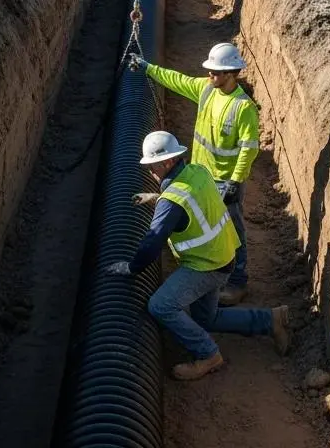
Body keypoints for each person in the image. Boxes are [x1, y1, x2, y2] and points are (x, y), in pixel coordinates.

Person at [105, 130, 289, 381]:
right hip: (223, 255)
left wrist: (132, 268)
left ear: (168, 162)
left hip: (207, 266)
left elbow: (152, 242)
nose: (150, 172)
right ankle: (271, 319)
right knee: (206, 318)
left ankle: (208, 355)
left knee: (161, 306)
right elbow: (192, 202)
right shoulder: (197, 172)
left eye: (152, 166)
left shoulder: (173, 201)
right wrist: (158, 198)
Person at [129, 43, 258, 304]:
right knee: (204, 221)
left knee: (231, 228)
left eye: (215, 72)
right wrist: (147, 68)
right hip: (201, 174)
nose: (209, 75)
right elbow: (178, 80)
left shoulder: (243, 108)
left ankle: (237, 281)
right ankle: (209, 270)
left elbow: (249, 148)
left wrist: (235, 181)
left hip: (225, 181)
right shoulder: (207, 90)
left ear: (231, 74)